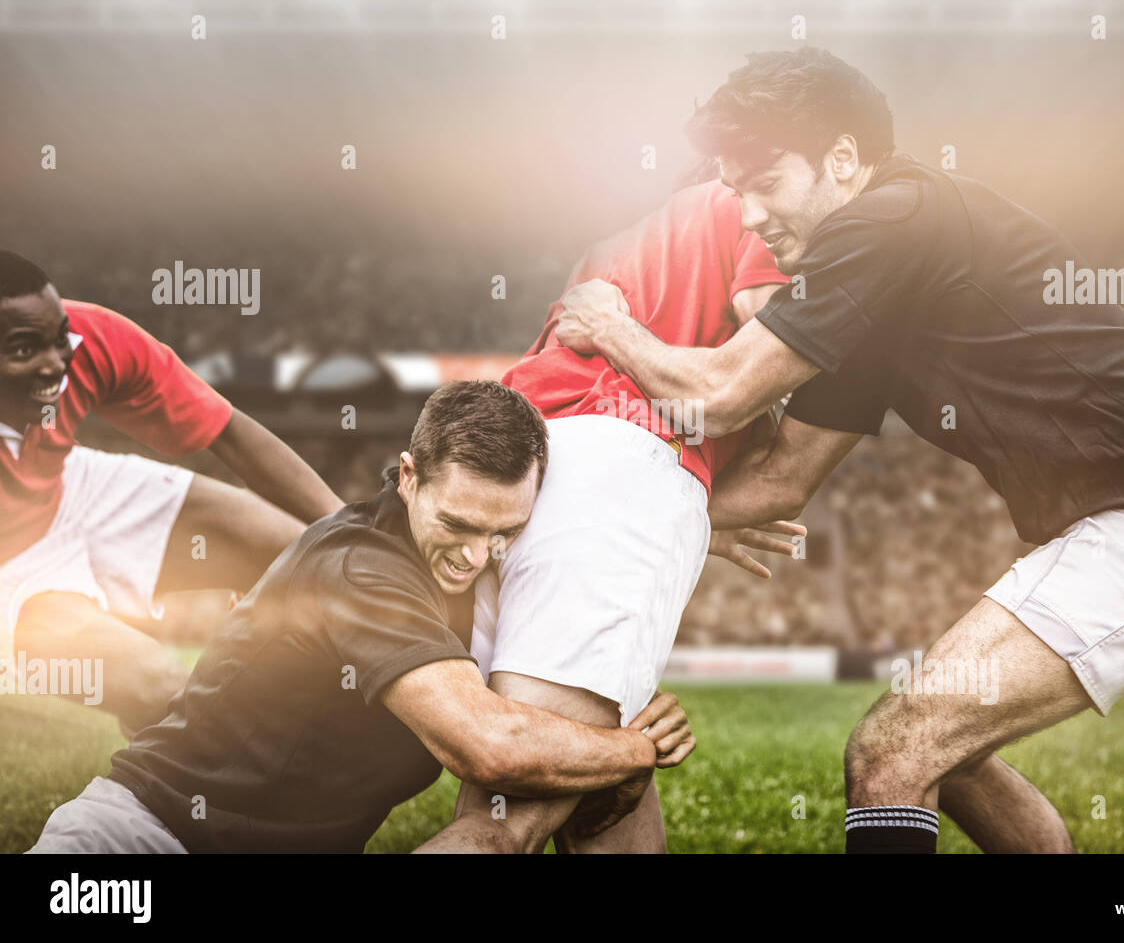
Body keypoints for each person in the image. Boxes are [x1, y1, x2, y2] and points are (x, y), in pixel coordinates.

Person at [553, 47, 1124, 854]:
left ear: (845, 159)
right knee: (944, 757)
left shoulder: (892, 218)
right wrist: (658, 510)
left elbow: (721, 394)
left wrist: (608, 324)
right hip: (1121, 530)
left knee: (892, 754)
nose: (746, 216)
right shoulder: (867, 285)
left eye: (767, 183)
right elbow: (780, 483)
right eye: (736, 191)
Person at [28, 381, 693, 853]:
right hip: (142, 842)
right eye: (457, 523)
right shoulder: (360, 569)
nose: (472, 555)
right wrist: (637, 749)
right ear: (408, 477)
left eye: (501, 532)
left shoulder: (472, 567)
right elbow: (492, 748)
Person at [419, 172, 802, 854]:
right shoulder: (748, 206)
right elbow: (767, 311)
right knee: (509, 822)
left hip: (524, 469)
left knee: (599, 781)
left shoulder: (604, 250)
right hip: (624, 466)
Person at [0, 251, 342, 736]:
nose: (55, 364)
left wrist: (364, 542)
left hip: (67, 486)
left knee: (319, 565)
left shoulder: (90, 337)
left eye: (59, 340)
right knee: (159, 689)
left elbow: (228, 432)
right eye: (21, 351)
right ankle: (176, 787)